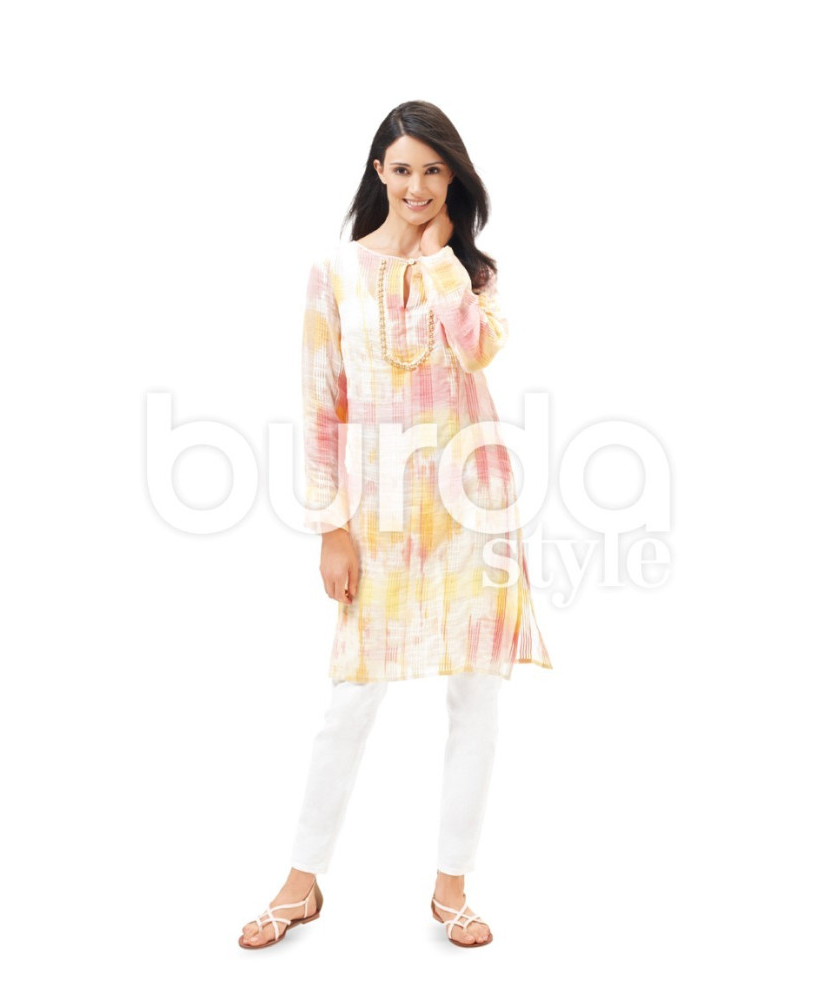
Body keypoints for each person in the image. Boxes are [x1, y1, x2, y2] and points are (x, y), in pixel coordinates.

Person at [238, 100, 552, 950]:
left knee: (476, 697)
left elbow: (477, 352)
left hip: (474, 509)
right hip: (377, 518)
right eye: (404, 168)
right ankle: (301, 881)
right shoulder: (334, 273)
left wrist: (440, 258)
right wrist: (331, 529)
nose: (417, 186)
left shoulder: (471, 272)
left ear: (453, 178)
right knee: (350, 699)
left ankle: (452, 888)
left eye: (434, 170)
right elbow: (320, 406)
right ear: (378, 171)